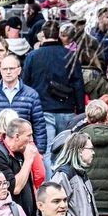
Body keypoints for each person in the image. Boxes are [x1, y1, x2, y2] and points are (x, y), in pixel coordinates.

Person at [24, 20, 82, 153]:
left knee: (47, 150)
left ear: (43, 34)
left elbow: (26, 84)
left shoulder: (33, 56)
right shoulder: (70, 55)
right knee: (66, 150)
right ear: (58, 34)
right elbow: (78, 84)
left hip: (42, 108)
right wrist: (80, 110)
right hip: (66, 108)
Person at [0, 53, 47, 155]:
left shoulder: (31, 95)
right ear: (0, 71)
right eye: (5, 69)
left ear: (19, 70)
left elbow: (39, 125)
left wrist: (40, 151)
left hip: (24, 149)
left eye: (11, 68)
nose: (8, 72)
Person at [0, 117, 40, 216]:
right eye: (29, 135)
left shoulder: (21, 151)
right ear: (17, 136)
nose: (32, 140)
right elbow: (15, 188)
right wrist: (28, 160)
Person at [51, 133, 104, 216]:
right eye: (90, 149)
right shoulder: (63, 175)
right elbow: (55, 208)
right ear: (79, 151)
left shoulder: (81, 174)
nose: (93, 152)